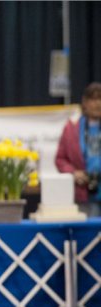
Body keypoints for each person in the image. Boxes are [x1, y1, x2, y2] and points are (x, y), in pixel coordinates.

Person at [56, 81, 101, 217]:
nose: (98, 104)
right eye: (93, 99)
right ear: (85, 102)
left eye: (100, 99)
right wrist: (74, 173)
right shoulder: (72, 128)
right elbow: (60, 159)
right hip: (84, 195)